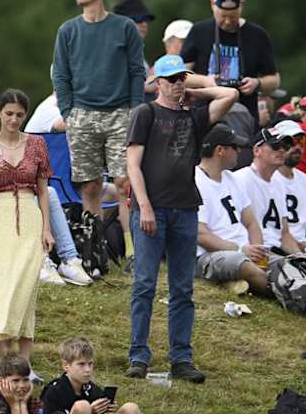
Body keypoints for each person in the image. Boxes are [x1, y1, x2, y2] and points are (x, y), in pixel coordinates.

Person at [125, 54, 237, 383]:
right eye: (171, 78)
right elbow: (133, 164)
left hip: (186, 208)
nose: (177, 84)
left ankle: (181, 357)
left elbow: (229, 95)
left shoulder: (194, 117)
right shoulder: (145, 113)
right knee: (144, 284)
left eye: (181, 78)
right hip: (153, 208)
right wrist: (144, 205)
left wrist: (195, 93)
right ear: (157, 83)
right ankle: (138, 355)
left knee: (182, 288)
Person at [52, 0, 145, 266]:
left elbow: (136, 71)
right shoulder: (68, 30)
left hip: (119, 113)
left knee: (124, 183)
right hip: (82, 116)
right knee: (90, 185)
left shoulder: (124, 28)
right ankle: (93, 254)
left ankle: (132, 252)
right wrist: (69, 112)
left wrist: (134, 109)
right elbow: (61, 76)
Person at [0, 89, 52, 375]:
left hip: (28, 212)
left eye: (18, 115)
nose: (13, 120)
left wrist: (47, 229)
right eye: (8, 114)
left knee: (25, 285)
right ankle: (7, 357)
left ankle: (25, 361)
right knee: (1, 284)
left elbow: (43, 190)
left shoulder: (37, 144)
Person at [181, 0, 279, 124]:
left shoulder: (258, 35)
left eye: (233, 17)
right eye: (222, 16)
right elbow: (180, 75)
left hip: (243, 116)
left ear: (242, 5)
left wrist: (257, 83)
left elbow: (274, 80)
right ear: (212, 5)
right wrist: (205, 81)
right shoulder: (198, 31)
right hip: (204, 114)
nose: (227, 22)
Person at [195, 123, 270, 296]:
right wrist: (240, 249)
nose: (239, 152)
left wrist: (257, 249)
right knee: (242, 264)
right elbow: (200, 235)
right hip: (209, 256)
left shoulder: (232, 178)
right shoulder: (194, 181)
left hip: (243, 251)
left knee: (280, 262)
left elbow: (251, 222)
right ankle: (278, 292)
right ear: (220, 150)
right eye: (235, 147)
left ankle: (264, 284)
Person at [233, 127, 304, 255]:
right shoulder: (240, 179)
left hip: (277, 251)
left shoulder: (278, 182)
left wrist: (300, 256)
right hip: (253, 251)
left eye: (285, 147)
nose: (282, 150)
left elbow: (284, 234)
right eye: (275, 146)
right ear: (256, 150)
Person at [42, 337, 141, 414]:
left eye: (90, 364)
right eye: (81, 364)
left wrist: (106, 406)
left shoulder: (90, 388)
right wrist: (91, 411)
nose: (87, 370)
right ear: (66, 365)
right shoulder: (54, 391)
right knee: (82, 406)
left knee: (130, 408)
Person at [272, 119, 306, 246]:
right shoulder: (267, 179)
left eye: (301, 142)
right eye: (290, 142)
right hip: (279, 247)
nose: (297, 147)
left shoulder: (303, 179)